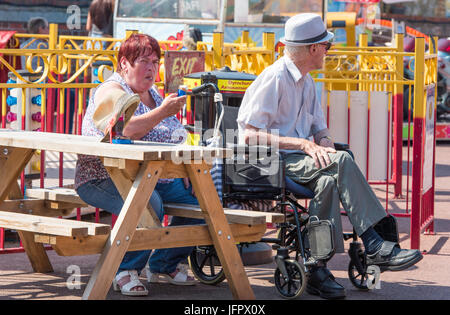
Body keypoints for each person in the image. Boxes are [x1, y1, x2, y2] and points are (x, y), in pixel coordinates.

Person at [237, 13, 423, 300]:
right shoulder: (275, 78)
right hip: (269, 163)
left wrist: (323, 143)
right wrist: (303, 144)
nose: (328, 51)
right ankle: (376, 242)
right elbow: (248, 136)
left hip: (296, 160)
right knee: (343, 161)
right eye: (327, 46)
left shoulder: (307, 81)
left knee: (329, 178)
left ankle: (317, 267)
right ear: (313, 49)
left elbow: (320, 130)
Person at [75, 33, 201, 297]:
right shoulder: (111, 90)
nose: (152, 68)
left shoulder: (152, 93)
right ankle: (125, 270)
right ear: (124, 64)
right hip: (102, 177)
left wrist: (185, 163)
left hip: (152, 175)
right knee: (147, 202)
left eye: (155, 61)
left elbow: (176, 134)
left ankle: (164, 264)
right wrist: (163, 112)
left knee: (199, 201)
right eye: (143, 61)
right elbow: (124, 130)